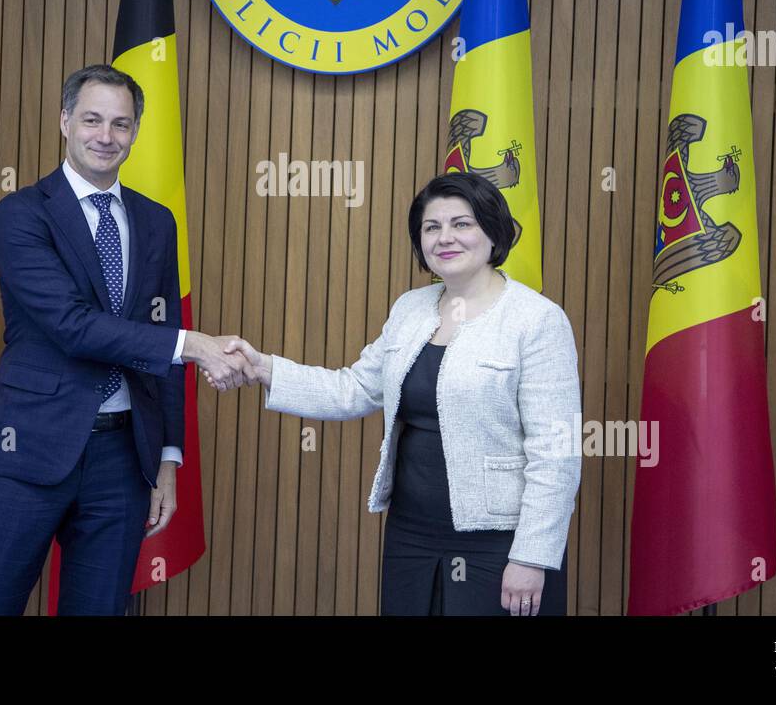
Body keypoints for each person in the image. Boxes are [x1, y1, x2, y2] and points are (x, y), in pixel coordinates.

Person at [0, 64, 251, 615]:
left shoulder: (157, 222)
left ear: (136, 131)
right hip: (30, 448)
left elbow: (157, 341)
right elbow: (71, 325)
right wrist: (196, 345)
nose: (105, 136)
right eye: (92, 119)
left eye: (121, 123)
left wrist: (166, 459)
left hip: (121, 458)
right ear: (65, 120)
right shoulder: (21, 214)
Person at [223, 172, 581, 616]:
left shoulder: (537, 320)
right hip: (411, 533)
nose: (444, 238)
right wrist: (262, 367)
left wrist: (531, 555)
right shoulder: (410, 309)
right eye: (431, 228)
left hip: (501, 540)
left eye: (461, 224)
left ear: (493, 231)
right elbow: (352, 389)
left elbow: (556, 451)